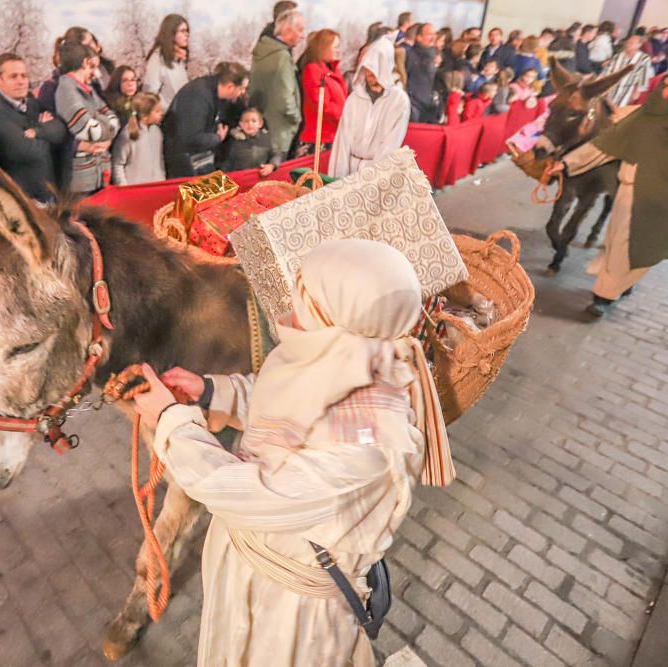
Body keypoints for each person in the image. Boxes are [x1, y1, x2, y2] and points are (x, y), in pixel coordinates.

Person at [133, 238, 451, 667]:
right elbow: (288, 404)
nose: (292, 302)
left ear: (336, 312)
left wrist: (172, 421)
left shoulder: (372, 435)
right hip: (250, 570)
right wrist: (210, 391)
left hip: (289, 613)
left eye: (305, 293)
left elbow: (257, 494)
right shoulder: (342, 356)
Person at [548, 68, 668, 318]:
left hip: (664, 201)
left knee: (642, 246)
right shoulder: (643, 117)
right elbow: (606, 144)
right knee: (620, 244)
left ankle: (606, 295)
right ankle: (609, 290)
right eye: (666, 84)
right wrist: (568, 163)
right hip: (630, 192)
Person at [0, 53, 68, 202]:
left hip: (46, 194)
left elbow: (61, 131)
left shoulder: (31, 104)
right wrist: (45, 132)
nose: (21, 81)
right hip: (19, 201)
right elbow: (27, 151)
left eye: (24, 76)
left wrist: (37, 131)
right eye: (13, 76)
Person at [329, 35, 409, 178]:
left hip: (376, 174)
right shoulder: (354, 99)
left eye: (377, 68)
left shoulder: (398, 100)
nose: (370, 73)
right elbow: (342, 141)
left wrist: (371, 179)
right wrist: (336, 179)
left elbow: (390, 145)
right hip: (349, 172)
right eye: (368, 67)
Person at [162, 62, 249, 178]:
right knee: (205, 195)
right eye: (241, 89)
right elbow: (191, 137)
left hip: (200, 157)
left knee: (220, 191)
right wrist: (217, 138)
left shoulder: (214, 93)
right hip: (185, 162)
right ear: (230, 87)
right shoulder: (197, 96)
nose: (242, 93)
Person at [55, 42, 120, 197]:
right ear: (85, 62)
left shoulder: (88, 89)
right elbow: (88, 130)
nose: (96, 73)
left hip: (98, 174)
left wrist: (100, 123)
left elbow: (114, 121)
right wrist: (106, 127)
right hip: (82, 182)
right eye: (94, 67)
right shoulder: (66, 89)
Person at [248, 9, 306, 160]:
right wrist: (297, 119)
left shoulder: (262, 53)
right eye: (300, 30)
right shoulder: (282, 57)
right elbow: (284, 98)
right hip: (280, 133)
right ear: (287, 30)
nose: (302, 35)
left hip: (263, 129)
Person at [297, 29, 348, 157]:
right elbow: (322, 105)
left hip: (334, 135)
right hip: (320, 138)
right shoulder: (313, 70)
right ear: (323, 47)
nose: (338, 50)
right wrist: (344, 116)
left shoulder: (332, 71)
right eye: (335, 46)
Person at [111, 92, 165, 186]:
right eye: (157, 111)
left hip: (156, 187)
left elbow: (160, 160)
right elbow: (118, 164)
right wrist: (123, 187)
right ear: (145, 115)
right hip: (134, 189)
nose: (161, 113)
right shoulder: (128, 134)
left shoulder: (157, 132)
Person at [144, 14, 190, 111]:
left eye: (187, 31)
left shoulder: (180, 60)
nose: (187, 34)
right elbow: (150, 94)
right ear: (171, 33)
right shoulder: (157, 58)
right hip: (165, 118)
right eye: (182, 31)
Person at [221, 107, 279, 175]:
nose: (250, 124)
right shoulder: (235, 142)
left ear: (260, 123)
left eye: (254, 121)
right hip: (241, 177)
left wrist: (272, 165)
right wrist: (223, 175)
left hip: (261, 176)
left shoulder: (267, 138)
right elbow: (228, 162)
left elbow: (276, 154)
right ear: (241, 124)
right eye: (246, 121)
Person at [602, 35, 655, 107]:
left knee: (617, 112)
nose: (628, 44)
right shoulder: (618, 56)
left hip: (627, 91)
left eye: (631, 43)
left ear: (638, 45)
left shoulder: (644, 59)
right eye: (628, 42)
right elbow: (608, 70)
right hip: (612, 89)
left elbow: (643, 77)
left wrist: (637, 92)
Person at [405, 23, 439, 123]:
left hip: (431, 107)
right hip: (415, 107)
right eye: (429, 34)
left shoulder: (436, 56)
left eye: (434, 34)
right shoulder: (410, 55)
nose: (433, 37)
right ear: (419, 37)